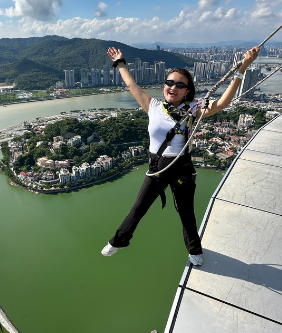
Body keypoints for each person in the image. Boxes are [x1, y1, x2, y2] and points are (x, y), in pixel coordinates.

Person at [102, 45, 259, 265]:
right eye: (169, 82)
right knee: (138, 208)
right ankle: (118, 241)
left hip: (181, 167)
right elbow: (131, 84)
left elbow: (223, 103)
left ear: (187, 90)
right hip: (157, 167)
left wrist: (243, 67)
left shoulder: (193, 109)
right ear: (163, 85)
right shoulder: (153, 106)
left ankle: (194, 250)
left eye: (180, 85)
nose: (173, 87)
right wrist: (120, 63)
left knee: (186, 213)